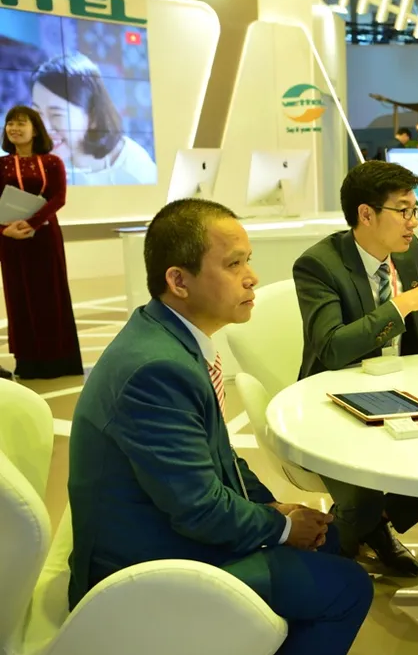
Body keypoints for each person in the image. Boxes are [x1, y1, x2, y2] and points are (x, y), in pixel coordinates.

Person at [68, 199, 373, 654]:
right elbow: (199, 510)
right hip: (144, 570)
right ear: (179, 281)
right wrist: (281, 526)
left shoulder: (171, 339)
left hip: (167, 532)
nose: (252, 277)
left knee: (326, 540)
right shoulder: (157, 369)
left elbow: (220, 457)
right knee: (348, 588)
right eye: (234, 264)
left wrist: (276, 508)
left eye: (248, 260)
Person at [294, 160, 418, 576]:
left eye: (415, 210)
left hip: (402, 391)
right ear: (366, 214)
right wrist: (403, 305)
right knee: (360, 495)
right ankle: (338, 548)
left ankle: (378, 522)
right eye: (403, 210)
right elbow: (332, 348)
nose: (412, 222)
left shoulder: (410, 252)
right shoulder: (319, 265)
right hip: (335, 401)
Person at [0, 106, 83, 380]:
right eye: (10, 123)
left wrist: (32, 223)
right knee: (19, 297)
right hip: (11, 240)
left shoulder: (52, 162)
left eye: (20, 123)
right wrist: (6, 230)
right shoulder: (2, 164)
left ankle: (58, 359)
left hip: (44, 237)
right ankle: (27, 362)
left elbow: (59, 197)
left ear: (35, 129)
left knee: (51, 295)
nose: (14, 128)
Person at [31, 53, 156, 185]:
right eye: (37, 112)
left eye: (57, 115)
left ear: (93, 117)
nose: (43, 127)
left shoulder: (137, 174)